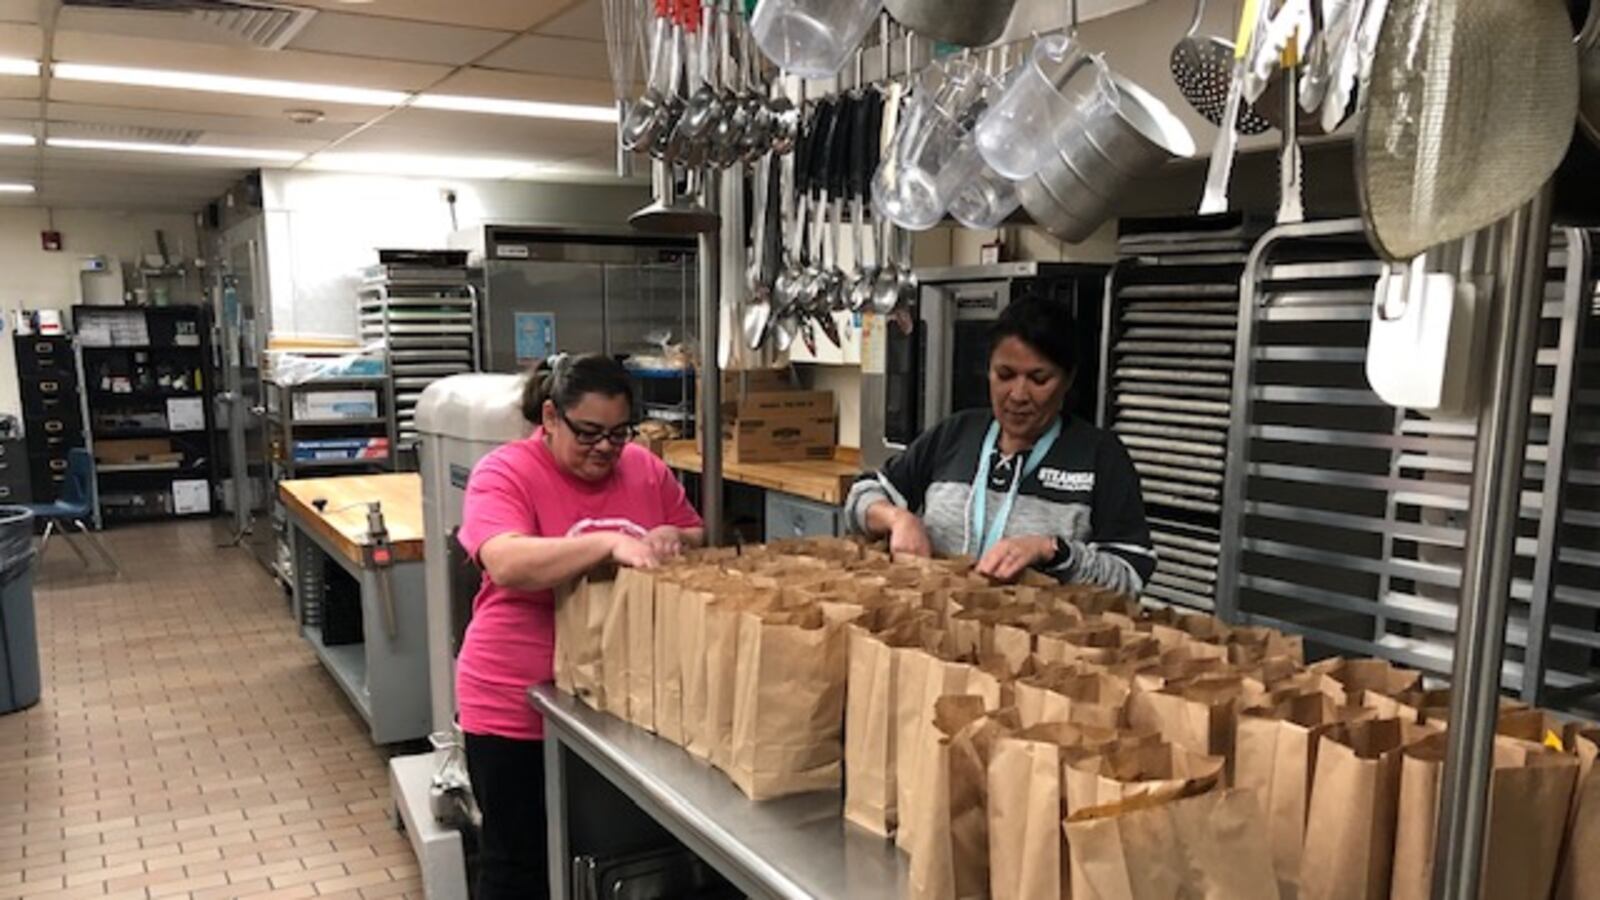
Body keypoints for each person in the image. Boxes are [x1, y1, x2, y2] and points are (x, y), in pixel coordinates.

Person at [455, 354, 704, 899]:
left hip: (621, 707)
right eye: (588, 433)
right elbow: (506, 561)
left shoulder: (644, 468)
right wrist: (608, 543)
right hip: (516, 703)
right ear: (549, 416)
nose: (605, 449)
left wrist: (671, 537)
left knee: (605, 856)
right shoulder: (506, 472)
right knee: (519, 866)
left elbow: (693, 532)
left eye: (618, 434)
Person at [845, 297, 1156, 594]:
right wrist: (898, 519)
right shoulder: (955, 434)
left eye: (1038, 379)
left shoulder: (1099, 456)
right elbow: (862, 495)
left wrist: (1053, 551)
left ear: (1068, 379)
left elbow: (1129, 577)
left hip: (1042, 642)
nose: (1018, 394)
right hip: (933, 632)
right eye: (1005, 375)